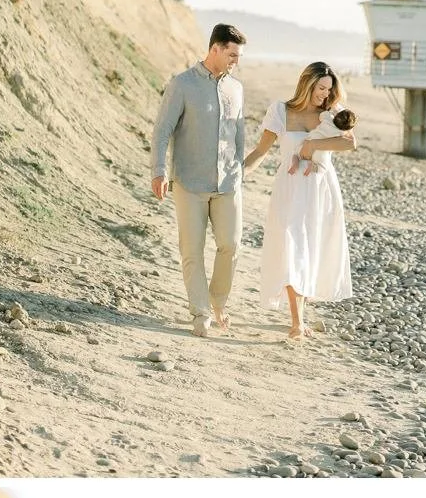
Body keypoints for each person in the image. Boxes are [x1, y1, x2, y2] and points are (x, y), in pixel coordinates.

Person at [245, 62, 354, 338]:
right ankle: (297, 322)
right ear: (307, 84)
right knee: (291, 246)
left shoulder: (332, 112)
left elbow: (349, 143)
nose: (325, 95)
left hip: (321, 189)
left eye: (329, 90)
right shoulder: (280, 111)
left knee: (310, 250)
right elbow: (261, 151)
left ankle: (299, 319)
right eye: (320, 88)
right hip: (290, 188)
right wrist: (238, 174)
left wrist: (314, 144)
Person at [151, 24, 246, 333]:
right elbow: (162, 131)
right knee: (191, 250)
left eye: (238, 56)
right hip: (189, 182)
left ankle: (218, 301)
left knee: (230, 245)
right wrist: (159, 171)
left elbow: (239, 136)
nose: (235, 61)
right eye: (232, 55)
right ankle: (200, 313)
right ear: (215, 49)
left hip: (227, 183)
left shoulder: (236, 88)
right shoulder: (182, 84)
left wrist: (240, 172)